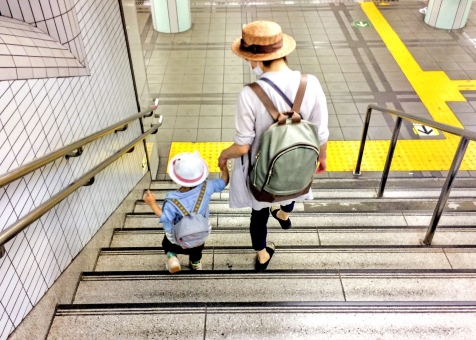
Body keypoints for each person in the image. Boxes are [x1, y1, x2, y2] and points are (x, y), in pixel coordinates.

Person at [218, 21, 329, 271]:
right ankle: (284, 214)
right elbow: (321, 132)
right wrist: (322, 158)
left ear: (256, 60)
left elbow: (243, 147)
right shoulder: (311, 83)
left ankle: (262, 256)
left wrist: (223, 157)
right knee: (292, 187)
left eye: (248, 58)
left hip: (260, 174)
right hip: (299, 163)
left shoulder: (250, 94)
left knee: (259, 215)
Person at [144, 151, 229, 273]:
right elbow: (223, 182)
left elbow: (165, 217)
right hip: (198, 234)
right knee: (196, 252)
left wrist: (152, 204)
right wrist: (224, 169)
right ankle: (195, 264)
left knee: (168, 245)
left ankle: (172, 258)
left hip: (176, 237)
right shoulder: (207, 187)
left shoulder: (172, 199)